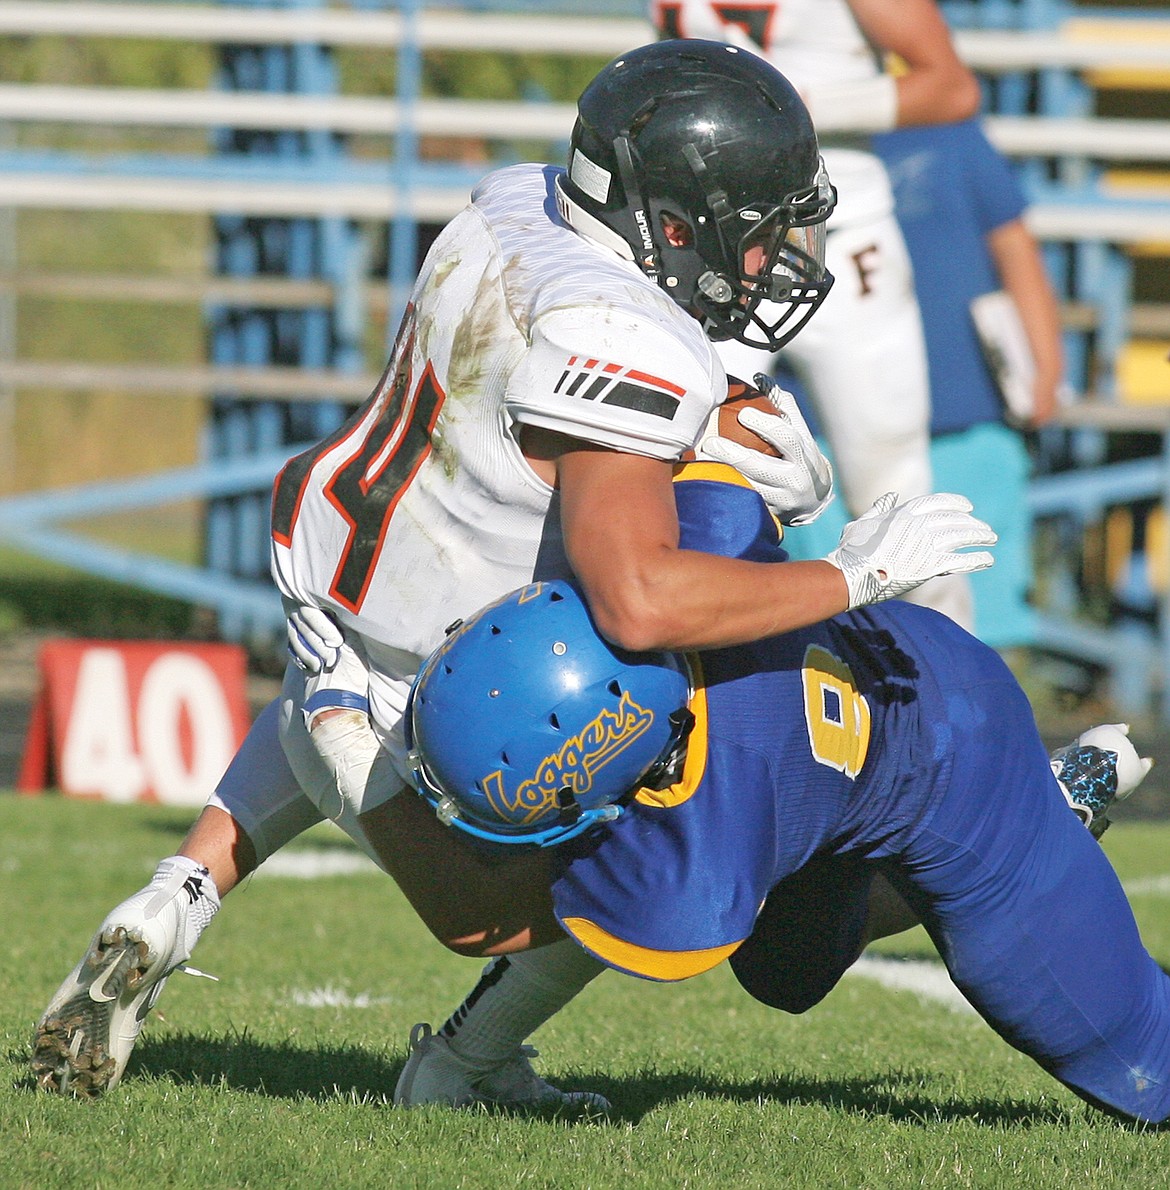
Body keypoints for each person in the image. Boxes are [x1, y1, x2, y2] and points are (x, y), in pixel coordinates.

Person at [31, 41, 994, 1104]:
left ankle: (179, 891)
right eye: (753, 233)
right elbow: (638, 590)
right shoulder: (626, 332)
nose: (770, 260)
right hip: (476, 670)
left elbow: (560, 369)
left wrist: (726, 415)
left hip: (342, 580)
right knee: (648, 860)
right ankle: (464, 1063)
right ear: (670, 225)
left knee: (332, 684)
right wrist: (853, 569)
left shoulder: (510, 203)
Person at [399, 462, 1166, 1125]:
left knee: (1147, 1067)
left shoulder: (695, 867)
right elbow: (717, 490)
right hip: (886, 668)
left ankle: (1055, 802)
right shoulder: (680, 562)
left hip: (966, 769)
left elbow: (531, 910)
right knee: (787, 971)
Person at [650, 0, 982, 625]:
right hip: (710, 248)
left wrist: (784, 109)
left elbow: (951, 87)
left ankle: (947, 684)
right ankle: (709, 680)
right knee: (683, 465)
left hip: (840, 235)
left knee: (892, 480)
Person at [868, 116, 1065, 647]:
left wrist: (1045, 368)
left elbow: (1014, 245)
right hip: (832, 424)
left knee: (978, 629)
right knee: (845, 632)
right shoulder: (777, 127)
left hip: (966, 412)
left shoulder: (949, 131)